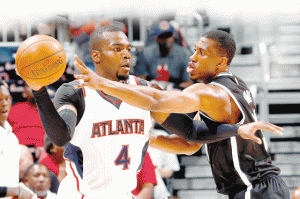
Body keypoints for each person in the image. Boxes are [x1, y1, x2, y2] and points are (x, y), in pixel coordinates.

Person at [18, 22, 284, 199]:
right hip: (82, 194)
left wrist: (236, 129)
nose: (126, 54)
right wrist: (40, 91)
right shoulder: (75, 90)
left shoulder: (144, 91)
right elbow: (61, 137)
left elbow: (189, 132)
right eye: (117, 48)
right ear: (96, 56)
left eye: (128, 48)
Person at [0, 80, 37, 199]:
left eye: (7, 98)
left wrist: (20, 188)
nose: (4, 103)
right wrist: (16, 191)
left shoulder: (11, 137)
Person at [134, 20, 193, 89]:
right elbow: (139, 79)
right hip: (151, 91)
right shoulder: (146, 53)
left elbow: (190, 83)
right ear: (156, 38)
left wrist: (173, 88)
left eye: (169, 36)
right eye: (163, 36)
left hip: (176, 92)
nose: (166, 39)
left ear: (173, 36)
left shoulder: (184, 54)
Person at [7, 83, 46, 159]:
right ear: (24, 93)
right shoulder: (13, 110)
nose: (34, 87)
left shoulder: (52, 110)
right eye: (30, 86)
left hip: (44, 150)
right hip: (20, 151)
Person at [147, 130, 180, 199]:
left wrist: (153, 171)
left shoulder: (163, 136)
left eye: (152, 119)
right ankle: (164, 196)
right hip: (136, 177)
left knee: (153, 171)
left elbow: (171, 169)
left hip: (156, 177)